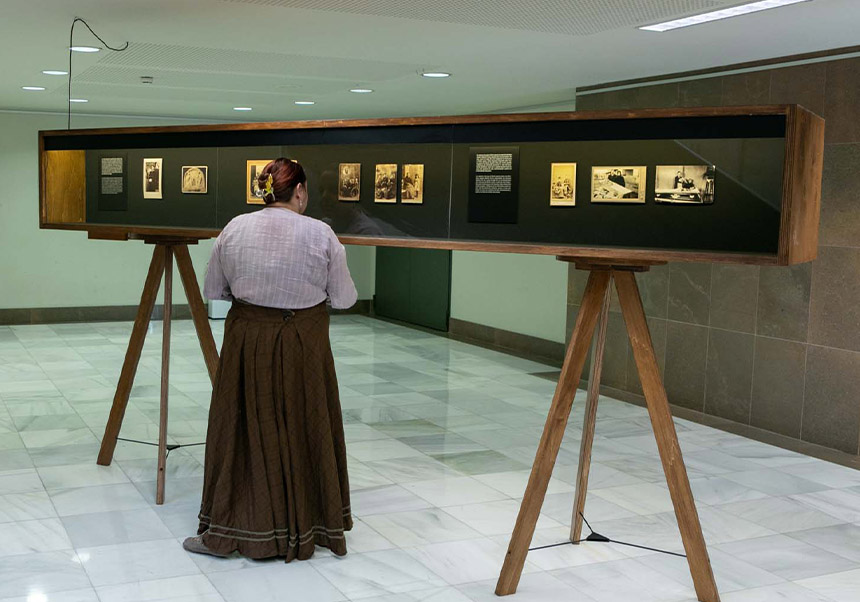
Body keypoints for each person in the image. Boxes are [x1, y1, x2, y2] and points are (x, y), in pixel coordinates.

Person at [184, 158, 357, 562]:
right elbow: (346, 297)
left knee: (243, 425)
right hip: (305, 344)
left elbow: (214, 289)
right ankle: (315, 524)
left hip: (248, 341)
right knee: (306, 422)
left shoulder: (234, 228)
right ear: (298, 191)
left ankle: (234, 524)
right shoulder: (321, 233)